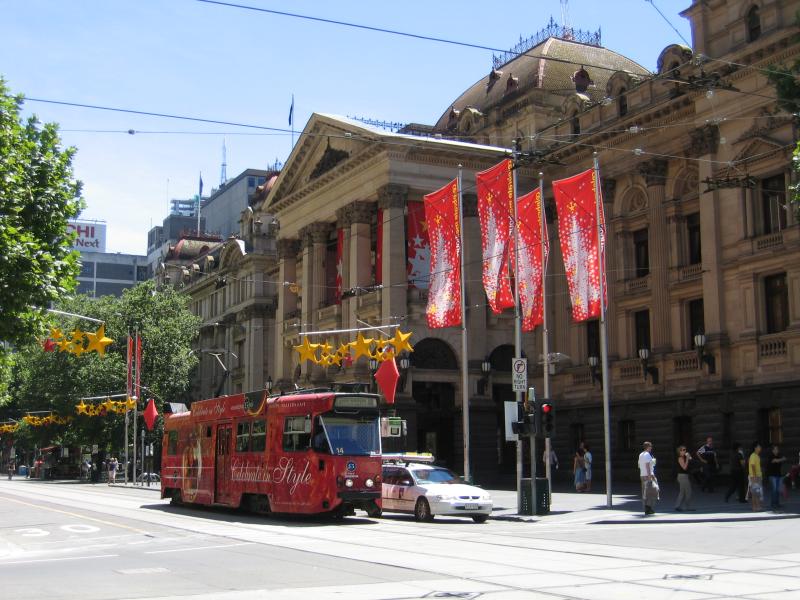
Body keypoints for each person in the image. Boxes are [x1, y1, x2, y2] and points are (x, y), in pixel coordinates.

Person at [639, 441, 657, 515]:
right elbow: (647, 466)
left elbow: (640, 465)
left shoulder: (641, 454)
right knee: (652, 492)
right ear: (648, 447)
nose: (651, 448)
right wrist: (650, 477)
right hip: (648, 475)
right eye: (650, 446)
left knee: (645, 492)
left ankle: (647, 507)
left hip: (642, 475)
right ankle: (648, 507)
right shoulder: (647, 455)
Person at [766, 444, 786, 511]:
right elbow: (775, 460)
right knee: (774, 490)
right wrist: (781, 459)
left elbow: (784, 458)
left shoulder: (779, 455)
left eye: (777, 449)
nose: (777, 450)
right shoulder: (770, 456)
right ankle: (773, 504)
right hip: (772, 475)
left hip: (778, 475)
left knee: (778, 490)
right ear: (772, 450)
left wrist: (781, 458)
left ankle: (777, 503)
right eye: (775, 449)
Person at [675, 445, 694, 511]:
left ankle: (678, 506)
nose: (683, 451)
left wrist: (688, 457)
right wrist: (687, 460)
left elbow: (691, 460)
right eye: (682, 450)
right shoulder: (680, 458)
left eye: (685, 450)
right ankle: (686, 507)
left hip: (684, 476)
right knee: (688, 491)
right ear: (679, 451)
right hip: (682, 476)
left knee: (682, 492)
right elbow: (684, 467)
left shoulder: (685, 457)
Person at [748, 442, 763, 512]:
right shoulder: (753, 456)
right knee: (754, 493)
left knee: (757, 492)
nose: (760, 448)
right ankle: (754, 507)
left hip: (758, 476)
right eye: (759, 447)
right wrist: (754, 476)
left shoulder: (757, 456)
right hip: (754, 477)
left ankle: (758, 506)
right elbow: (752, 466)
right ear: (755, 448)